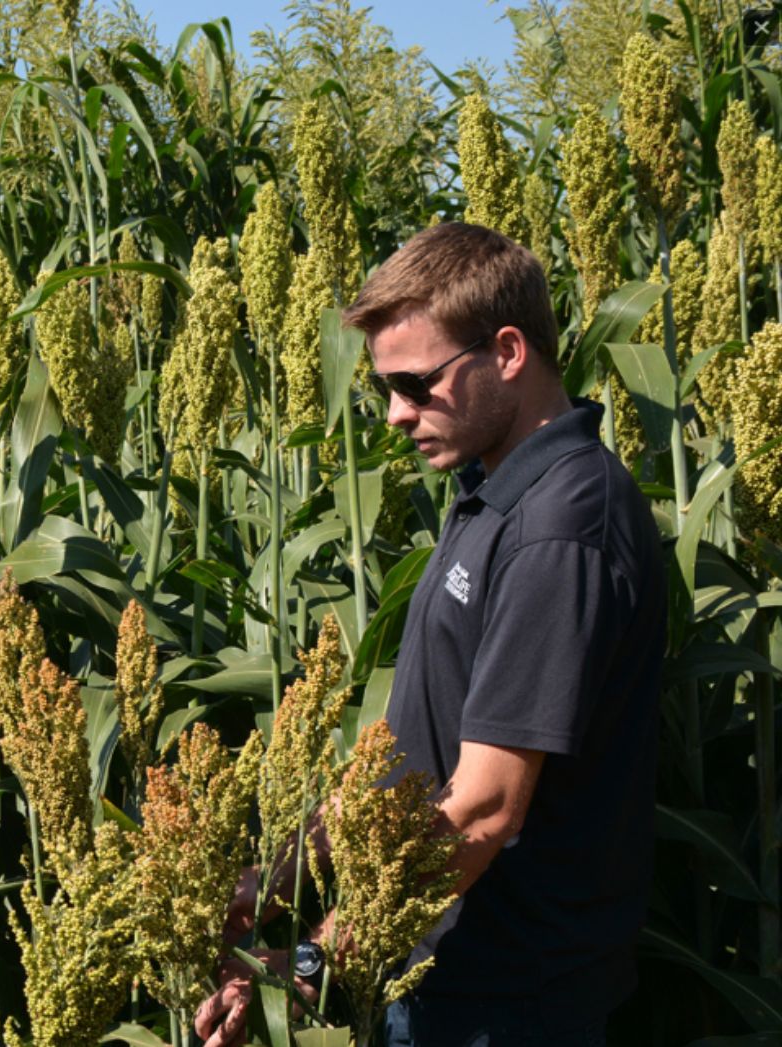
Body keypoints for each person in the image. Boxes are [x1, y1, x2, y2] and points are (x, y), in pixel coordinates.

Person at [195, 222, 665, 1047]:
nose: (394, 414)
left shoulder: (561, 528)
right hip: (444, 981)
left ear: (509, 352)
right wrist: (270, 881)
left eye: (416, 383)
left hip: (511, 1005)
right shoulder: (492, 492)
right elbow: (409, 758)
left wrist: (311, 963)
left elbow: (483, 806)